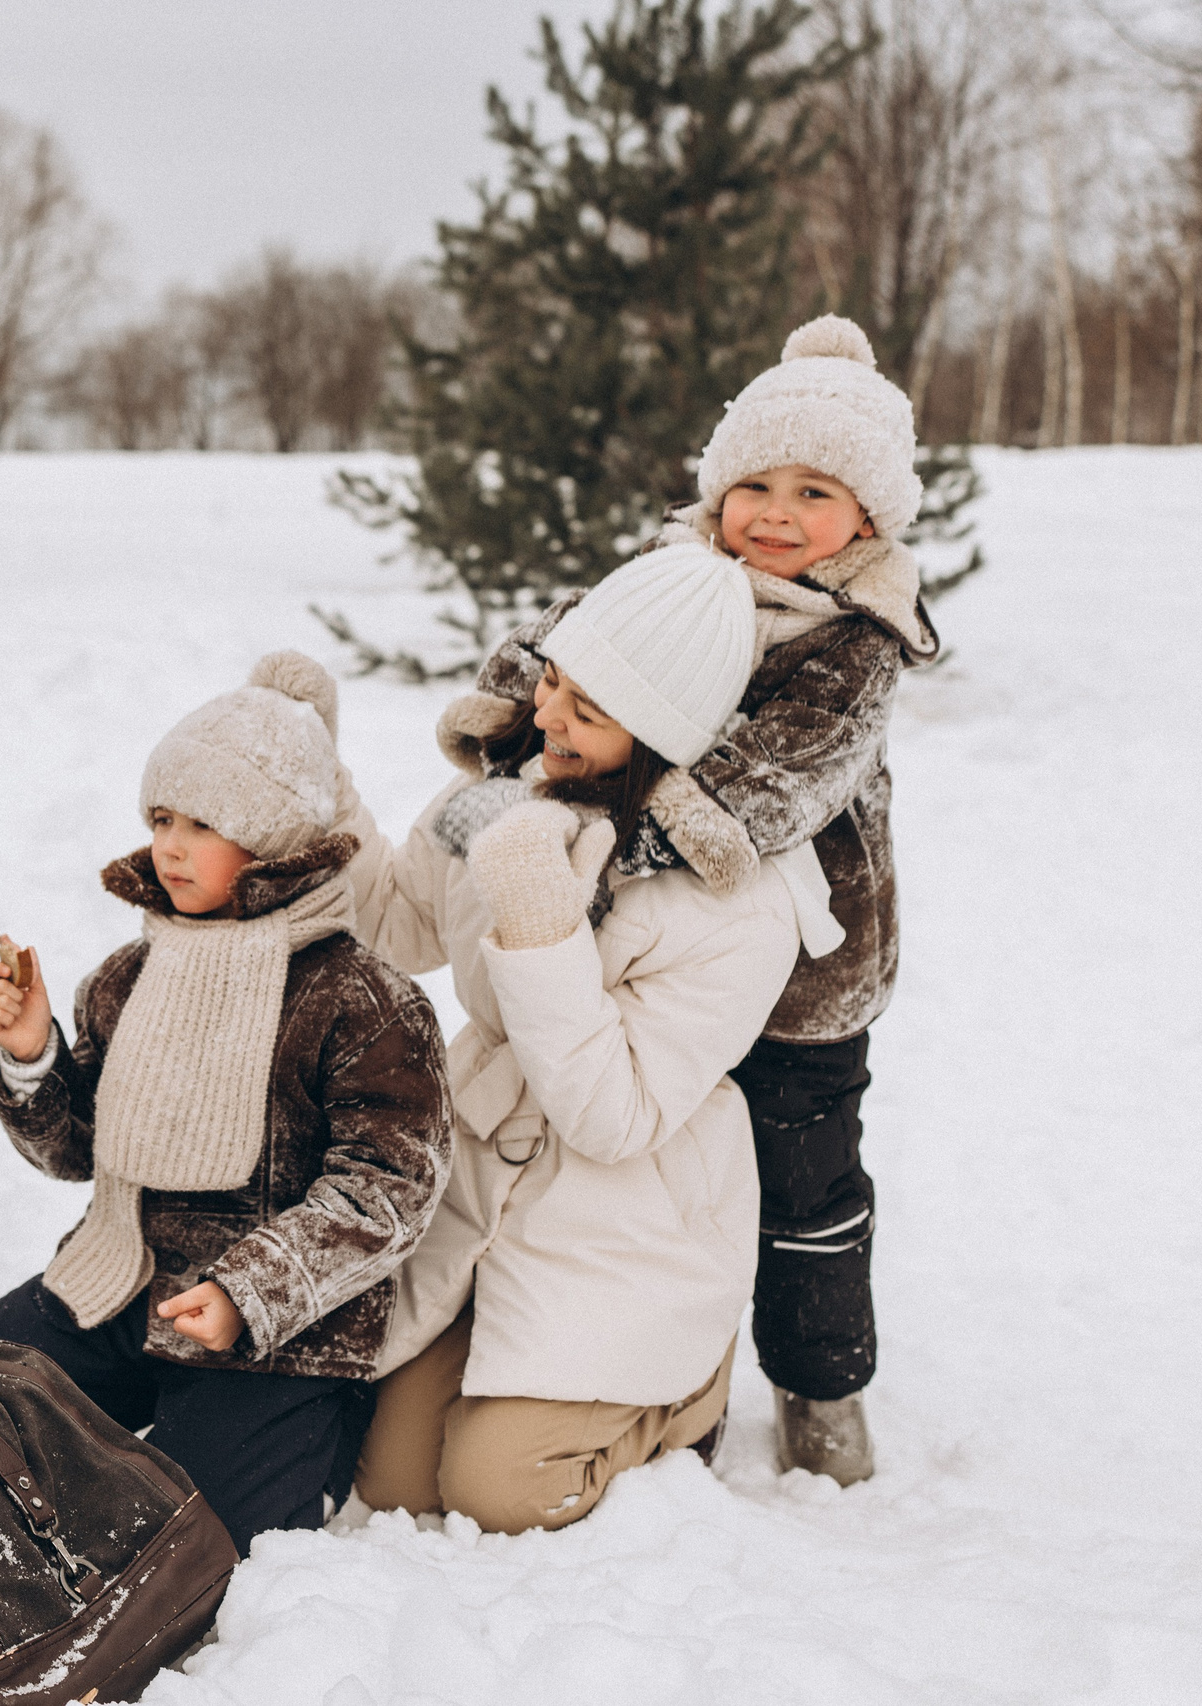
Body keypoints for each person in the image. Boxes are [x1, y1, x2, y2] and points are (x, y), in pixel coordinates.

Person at [353, 314, 938, 1485]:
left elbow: (773, 782)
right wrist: (505, 716)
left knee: (801, 1192)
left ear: (865, 520)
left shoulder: (855, 639)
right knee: (628, 1172)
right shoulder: (684, 568)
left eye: (812, 492)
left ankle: (819, 1383)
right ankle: (581, 1327)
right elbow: (578, 631)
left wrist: (602, 860)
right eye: (752, 483)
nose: (773, 512)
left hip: (798, 965)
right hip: (649, 901)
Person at [341, 544, 843, 1534]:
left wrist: (540, 922)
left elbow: (613, 1117)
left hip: (623, 1216)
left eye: (587, 707)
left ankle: (683, 1392)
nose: (546, 716)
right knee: (390, 1474)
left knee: (499, 1491)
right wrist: (319, 794)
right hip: (491, 1182)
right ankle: (506, 1348)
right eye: (553, 680)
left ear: (663, 731)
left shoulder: (739, 898)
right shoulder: (518, 785)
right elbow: (395, 921)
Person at [0, 653, 454, 1555]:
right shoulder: (127, 978)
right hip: (121, 1280)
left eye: (205, 825)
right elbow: (80, 1151)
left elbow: (390, 1187)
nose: (172, 846)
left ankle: (315, 1439)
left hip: (278, 1332)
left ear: (275, 843)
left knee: (184, 1540)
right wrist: (34, 1057)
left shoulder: (360, 999)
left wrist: (249, 1290)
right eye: (162, 818)